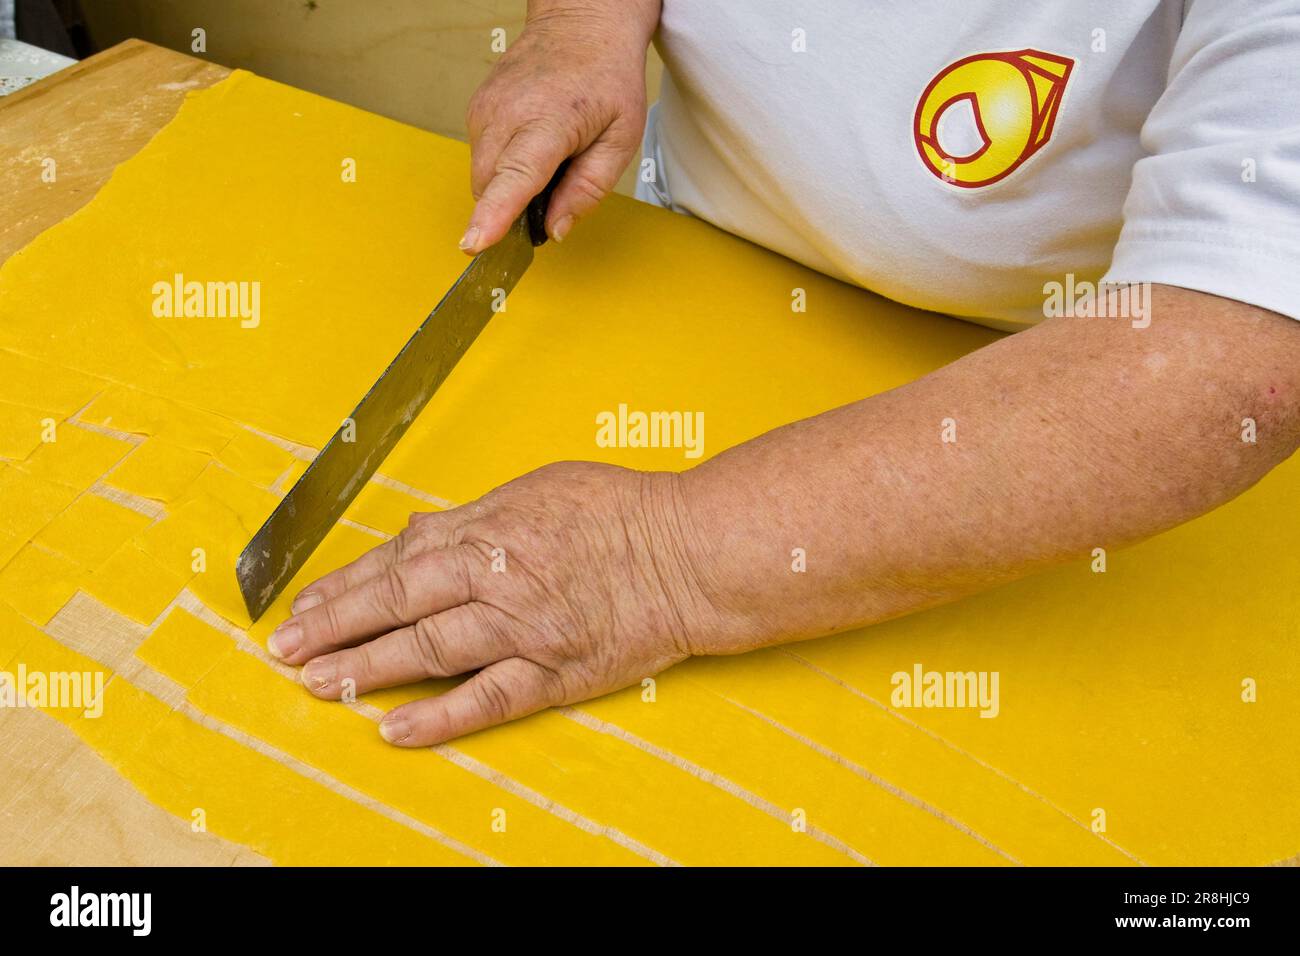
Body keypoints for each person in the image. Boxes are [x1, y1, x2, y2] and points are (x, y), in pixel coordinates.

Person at [267, 0, 1300, 747]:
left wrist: (656, 562)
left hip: (1023, 403)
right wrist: (579, 20)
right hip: (679, 261)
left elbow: (1232, 354)